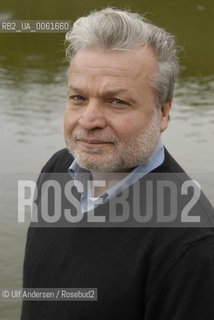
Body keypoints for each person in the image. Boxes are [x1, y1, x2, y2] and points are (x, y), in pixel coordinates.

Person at [21, 8, 214, 320]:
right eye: (78, 98)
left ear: (163, 113)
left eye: (117, 101)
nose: (89, 120)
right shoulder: (57, 170)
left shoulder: (190, 245)